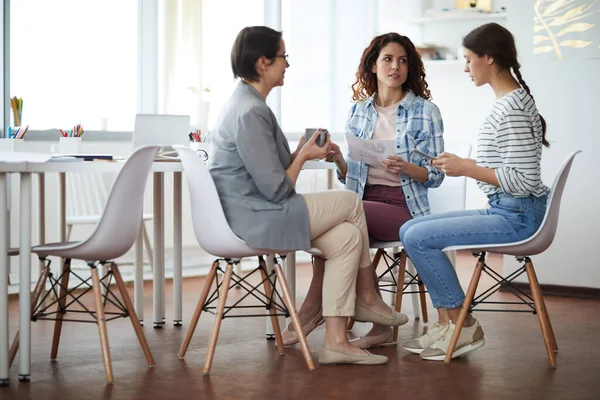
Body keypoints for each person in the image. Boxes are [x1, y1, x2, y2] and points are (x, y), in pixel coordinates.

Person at [209, 26, 407, 366]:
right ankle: (367, 295)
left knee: (346, 237)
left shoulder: (247, 103)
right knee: (348, 202)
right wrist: (303, 158)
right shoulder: (251, 111)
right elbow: (276, 188)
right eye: (283, 57)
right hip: (255, 217)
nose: (287, 64)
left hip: (253, 211)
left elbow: (267, 172)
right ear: (262, 63)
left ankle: (335, 341)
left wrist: (299, 150)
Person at [399, 22, 550, 361]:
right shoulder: (510, 102)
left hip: (517, 216)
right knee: (409, 229)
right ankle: (449, 324)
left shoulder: (510, 108)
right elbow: (509, 168)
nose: (465, 68)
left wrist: (467, 168)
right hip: (510, 208)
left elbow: (522, 181)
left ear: (489, 58)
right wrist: (462, 162)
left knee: (418, 237)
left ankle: (463, 325)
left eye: (469, 59)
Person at [291, 32, 445, 350]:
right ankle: (375, 316)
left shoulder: (426, 111)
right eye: (387, 59)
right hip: (363, 201)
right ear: (373, 66)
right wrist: (337, 159)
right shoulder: (359, 111)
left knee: (338, 218)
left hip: (404, 208)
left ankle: (315, 307)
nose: (395, 67)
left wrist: (407, 167)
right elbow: (352, 176)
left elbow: (436, 175)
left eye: (402, 60)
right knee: (343, 228)